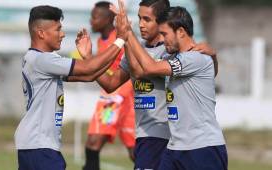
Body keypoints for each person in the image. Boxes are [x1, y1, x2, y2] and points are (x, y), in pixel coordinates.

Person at [67, 0, 217, 169]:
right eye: (139, 18)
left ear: (161, 21)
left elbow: (141, 71)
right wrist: (88, 58)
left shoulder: (171, 51)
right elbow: (111, 83)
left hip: (164, 136)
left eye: (147, 19)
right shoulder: (137, 49)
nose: (141, 25)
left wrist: (127, 34)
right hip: (144, 134)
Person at [14, 5, 128, 170]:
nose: (63, 34)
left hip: (34, 144)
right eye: (58, 29)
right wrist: (121, 39)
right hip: (40, 145)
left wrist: (88, 57)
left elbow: (89, 75)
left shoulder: (37, 59)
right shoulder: (43, 60)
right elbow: (89, 69)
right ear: (41, 33)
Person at [117, 4, 227, 170]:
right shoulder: (173, 57)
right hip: (175, 148)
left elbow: (150, 68)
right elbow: (141, 70)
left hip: (203, 147)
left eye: (164, 34)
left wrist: (128, 33)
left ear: (181, 32)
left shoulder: (194, 58)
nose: (162, 39)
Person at [82, 2, 135, 170]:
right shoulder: (99, 41)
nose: (91, 21)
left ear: (107, 19)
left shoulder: (119, 39)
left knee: (95, 143)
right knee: (94, 143)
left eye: (95, 17)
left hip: (121, 98)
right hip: (112, 97)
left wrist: (120, 94)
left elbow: (132, 67)